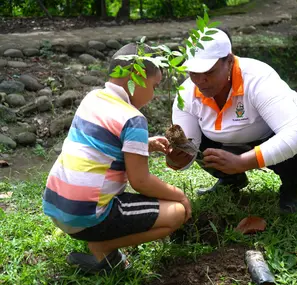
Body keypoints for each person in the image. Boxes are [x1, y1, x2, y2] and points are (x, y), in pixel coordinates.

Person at [42, 44, 192, 274]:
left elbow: (101, 142)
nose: (154, 94)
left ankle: (99, 240)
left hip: (57, 207)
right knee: (176, 212)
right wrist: (180, 195)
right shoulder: (133, 119)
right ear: (137, 78)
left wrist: (145, 144)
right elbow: (140, 181)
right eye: (155, 85)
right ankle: (102, 245)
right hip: (88, 215)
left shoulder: (92, 99)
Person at [166, 28, 297, 214]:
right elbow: (189, 147)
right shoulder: (186, 93)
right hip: (232, 139)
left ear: (230, 61)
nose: (201, 80)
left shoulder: (258, 79)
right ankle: (231, 179)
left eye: (209, 71)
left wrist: (242, 162)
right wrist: (177, 159)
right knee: (193, 144)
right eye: (194, 72)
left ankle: (293, 188)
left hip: (273, 132)